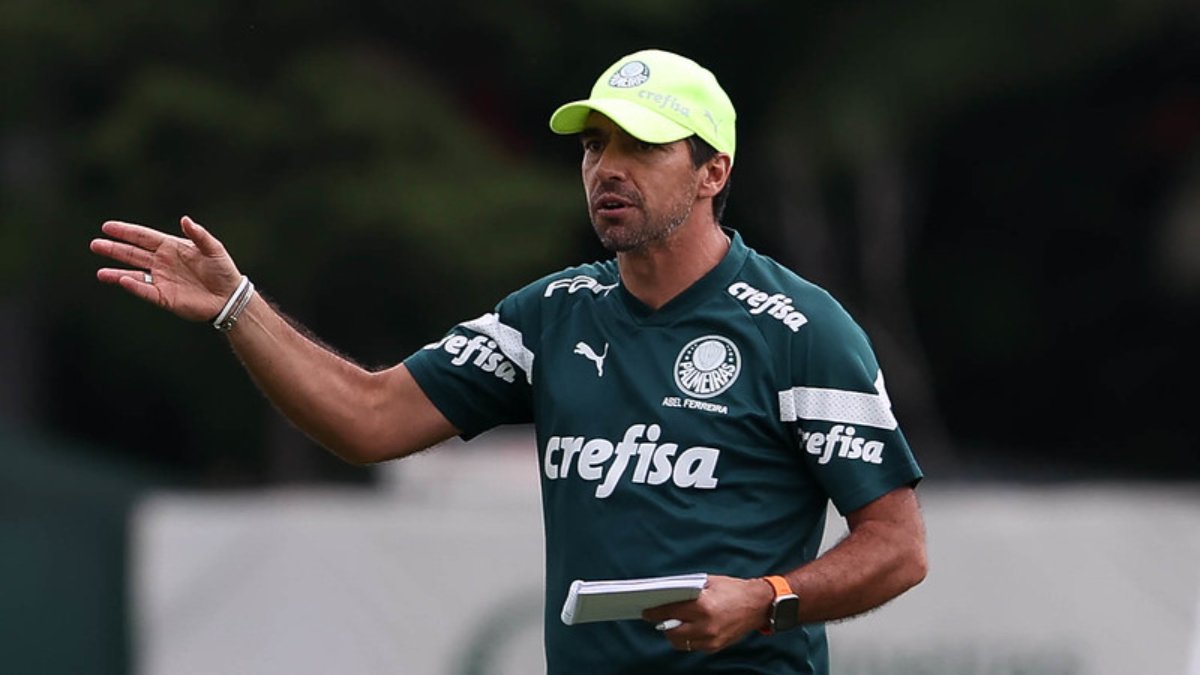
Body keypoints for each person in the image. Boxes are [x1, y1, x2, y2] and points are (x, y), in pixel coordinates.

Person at [91, 48, 926, 674]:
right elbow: (369, 418)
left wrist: (766, 601)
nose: (608, 167)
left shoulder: (798, 328)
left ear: (714, 170)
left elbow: (897, 545)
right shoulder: (552, 315)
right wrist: (239, 307)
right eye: (595, 145)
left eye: (641, 145)